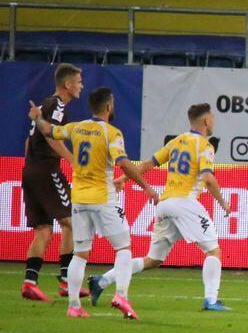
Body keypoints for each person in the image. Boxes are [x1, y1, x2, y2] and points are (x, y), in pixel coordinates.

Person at [28, 87, 159, 319]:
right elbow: (123, 163)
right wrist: (146, 186)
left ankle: (74, 306)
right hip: (103, 198)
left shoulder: (77, 127)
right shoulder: (112, 133)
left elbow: (49, 131)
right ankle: (121, 296)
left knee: (80, 253)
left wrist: (38, 118)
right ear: (108, 106)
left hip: (79, 199)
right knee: (123, 248)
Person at [90, 103, 233, 311]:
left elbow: (147, 164)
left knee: (153, 259)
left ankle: (101, 281)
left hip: (165, 204)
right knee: (214, 251)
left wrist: (123, 178)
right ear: (206, 121)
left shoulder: (176, 142)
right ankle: (211, 300)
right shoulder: (205, 146)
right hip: (185, 203)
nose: (213, 122)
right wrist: (222, 202)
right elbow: (208, 179)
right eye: (212, 118)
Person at [20, 63, 85, 302]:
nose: (81, 86)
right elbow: (51, 135)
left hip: (31, 170)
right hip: (47, 170)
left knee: (44, 229)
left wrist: (31, 167)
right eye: (79, 82)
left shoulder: (42, 106)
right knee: (73, 222)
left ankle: (30, 282)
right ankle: (67, 280)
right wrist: (72, 159)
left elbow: (29, 141)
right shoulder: (57, 105)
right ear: (67, 84)